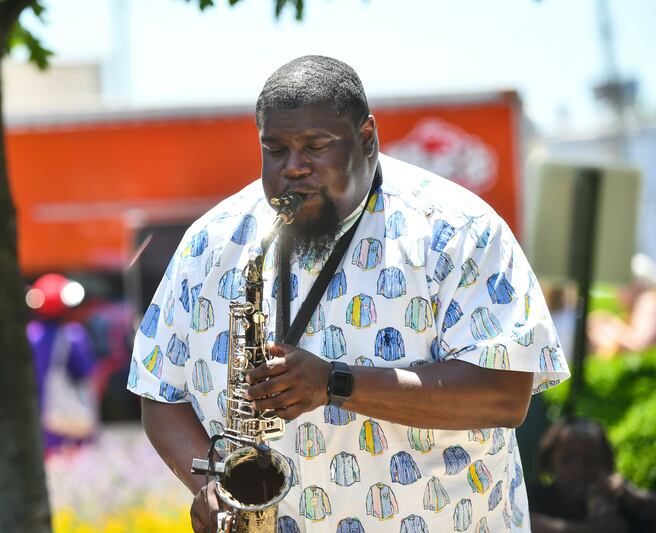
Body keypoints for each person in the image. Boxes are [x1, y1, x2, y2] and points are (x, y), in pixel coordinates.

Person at [128, 55, 570, 532]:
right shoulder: (210, 242)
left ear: (366, 138)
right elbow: (160, 390)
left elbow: (504, 395)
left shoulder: (460, 230)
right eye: (275, 150)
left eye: (315, 146)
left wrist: (336, 384)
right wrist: (212, 485)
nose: (293, 169)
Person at [529, 417, 656, 532]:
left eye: (589, 460)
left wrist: (634, 496)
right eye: (568, 459)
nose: (579, 469)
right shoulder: (533, 498)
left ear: (605, 464)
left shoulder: (617, 499)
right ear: (550, 463)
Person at [26, 273, 97, 455]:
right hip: (67, 426)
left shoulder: (29, 335)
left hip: (35, 422)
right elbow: (85, 375)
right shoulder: (74, 336)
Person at [588, 253, 656, 358]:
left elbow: (638, 345)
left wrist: (611, 324)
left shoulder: (648, 301)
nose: (618, 288)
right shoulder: (636, 306)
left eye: (623, 281)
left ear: (638, 283)